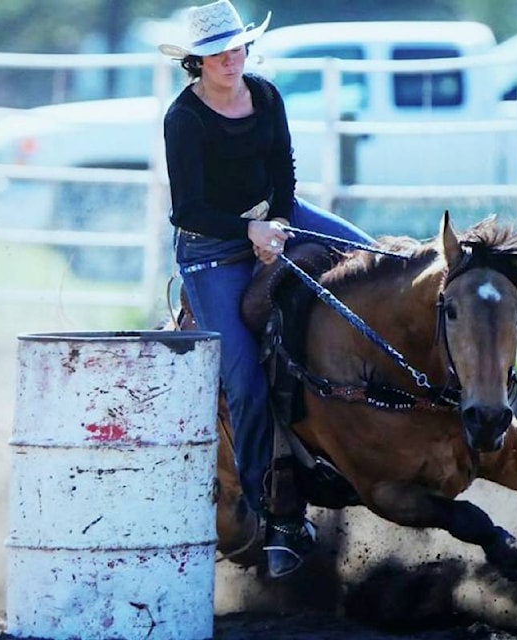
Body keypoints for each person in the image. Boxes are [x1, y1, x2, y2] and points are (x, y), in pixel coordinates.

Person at [157, 0, 376, 579]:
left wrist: (276, 224)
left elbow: (285, 170)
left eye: (237, 48)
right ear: (196, 62)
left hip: (276, 219)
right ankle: (271, 509)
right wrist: (249, 232)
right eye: (218, 53)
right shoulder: (184, 118)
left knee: (378, 262)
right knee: (244, 381)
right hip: (210, 248)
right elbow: (189, 208)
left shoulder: (267, 96)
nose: (231, 59)